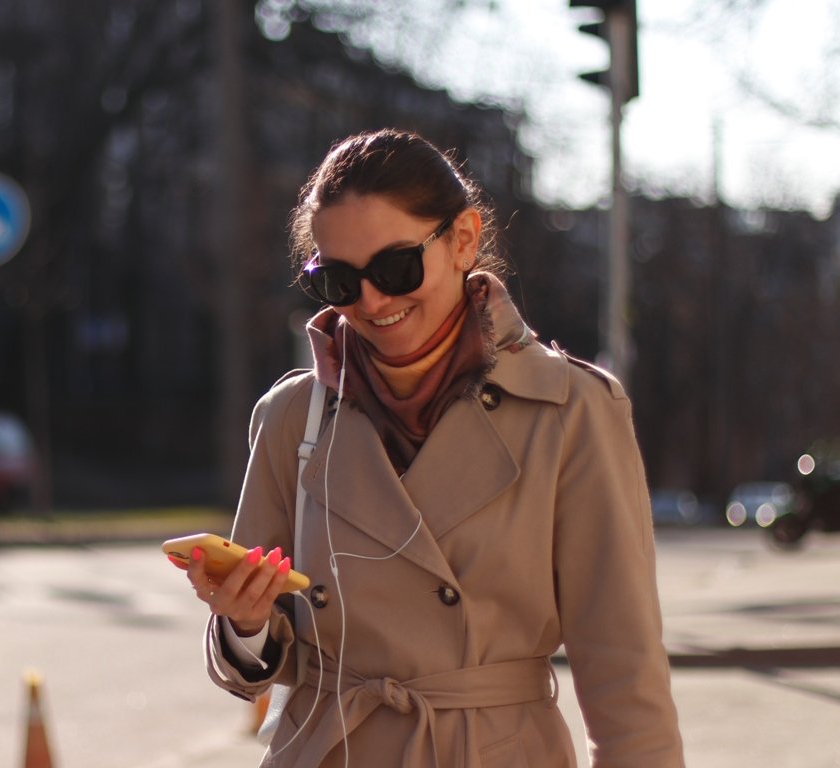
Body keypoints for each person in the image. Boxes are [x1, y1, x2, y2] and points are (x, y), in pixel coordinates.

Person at [182, 128, 684, 767]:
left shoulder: (570, 410)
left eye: (396, 267)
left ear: (463, 240)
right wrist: (243, 621)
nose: (372, 301)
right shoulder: (293, 418)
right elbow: (255, 661)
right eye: (338, 279)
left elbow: (624, 668)